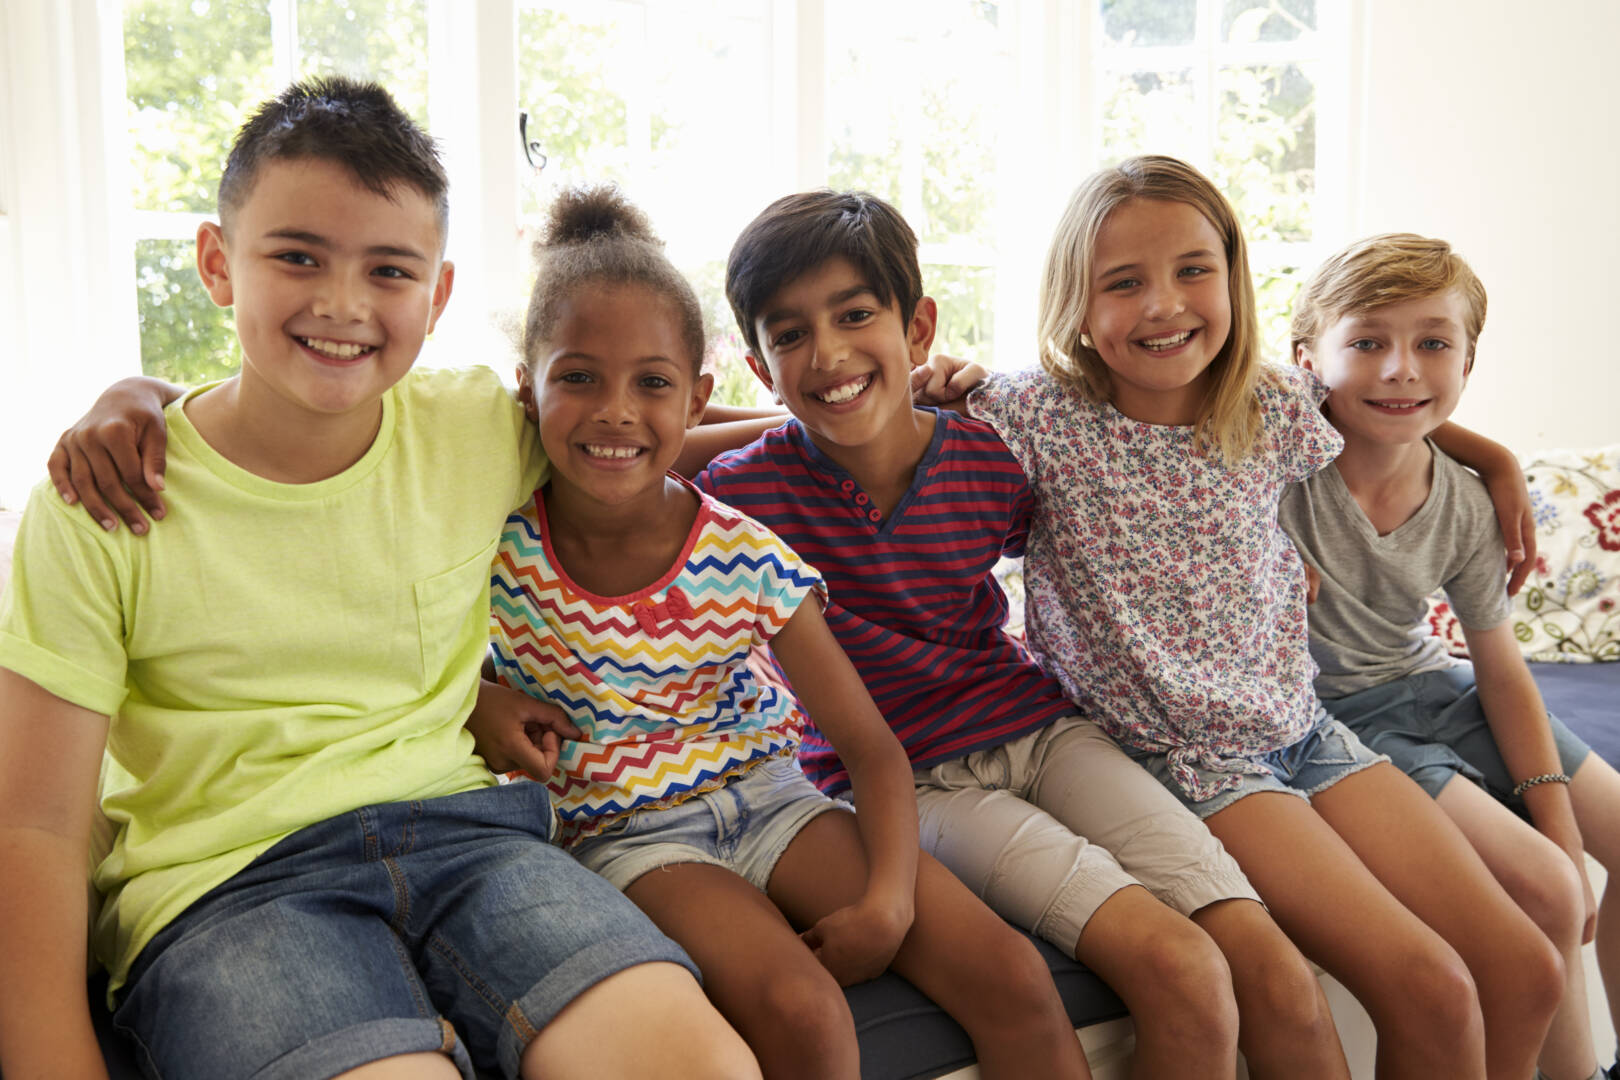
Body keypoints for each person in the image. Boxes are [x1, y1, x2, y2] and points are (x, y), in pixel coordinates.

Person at [0, 78, 758, 1080]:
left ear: (437, 297)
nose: (343, 303)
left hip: (475, 843)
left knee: (700, 1065)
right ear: (218, 265)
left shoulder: (472, 427)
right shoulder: (102, 500)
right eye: (297, 256)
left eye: (389, 269)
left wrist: (849, 419)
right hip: (233, 890)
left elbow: (633, 437)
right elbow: (37, 824)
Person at [689, 188, 1347, 1079]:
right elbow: (640, 449)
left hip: (1047, 730)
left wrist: (1474, 465)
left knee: (1267, 968)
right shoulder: (741, 496)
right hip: (910, 783)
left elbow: (1168, 476)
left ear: (918, 328)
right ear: (761, 368)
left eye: (855, 316)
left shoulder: (993, 451)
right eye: (791, 335)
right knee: (1181, 966)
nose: (830, 353)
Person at [952, 154, 1564, 1079]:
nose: (1164, 305)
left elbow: (1393, 398)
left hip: (1306, 729)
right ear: (1076, 303)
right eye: (1125, 283)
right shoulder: (1032, 415)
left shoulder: (1273, 403)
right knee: (1431, 984)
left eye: (1194, 270)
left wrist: (1501, 460)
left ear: (1234, 277)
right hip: (1188, 758)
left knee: (1524, 970)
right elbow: (833, 425)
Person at [465, 183, 1086, 1080]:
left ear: (697, 397)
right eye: (577, 379)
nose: (615, 412)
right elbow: (394, 645)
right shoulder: (495, 540)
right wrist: (477, 693)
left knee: (1013, 976)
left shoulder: (743, 551)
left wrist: (888, 901)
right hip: (629, 835)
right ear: (527, 391)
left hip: (774, 797)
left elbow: (869, 750)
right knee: (805, 1009)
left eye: (652, 384)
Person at [1281, 232, 1620, 1080]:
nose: (1402, 368)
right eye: (1368, 342)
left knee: (1586, 847)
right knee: (1547, 886)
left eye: (1434, 343)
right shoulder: (1274, 466)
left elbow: (1499, 662)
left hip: (1435, 682)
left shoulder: (1468, 504)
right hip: (1339, 721)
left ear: (1470, 359)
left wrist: (1555, 812)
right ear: (1304, 359)